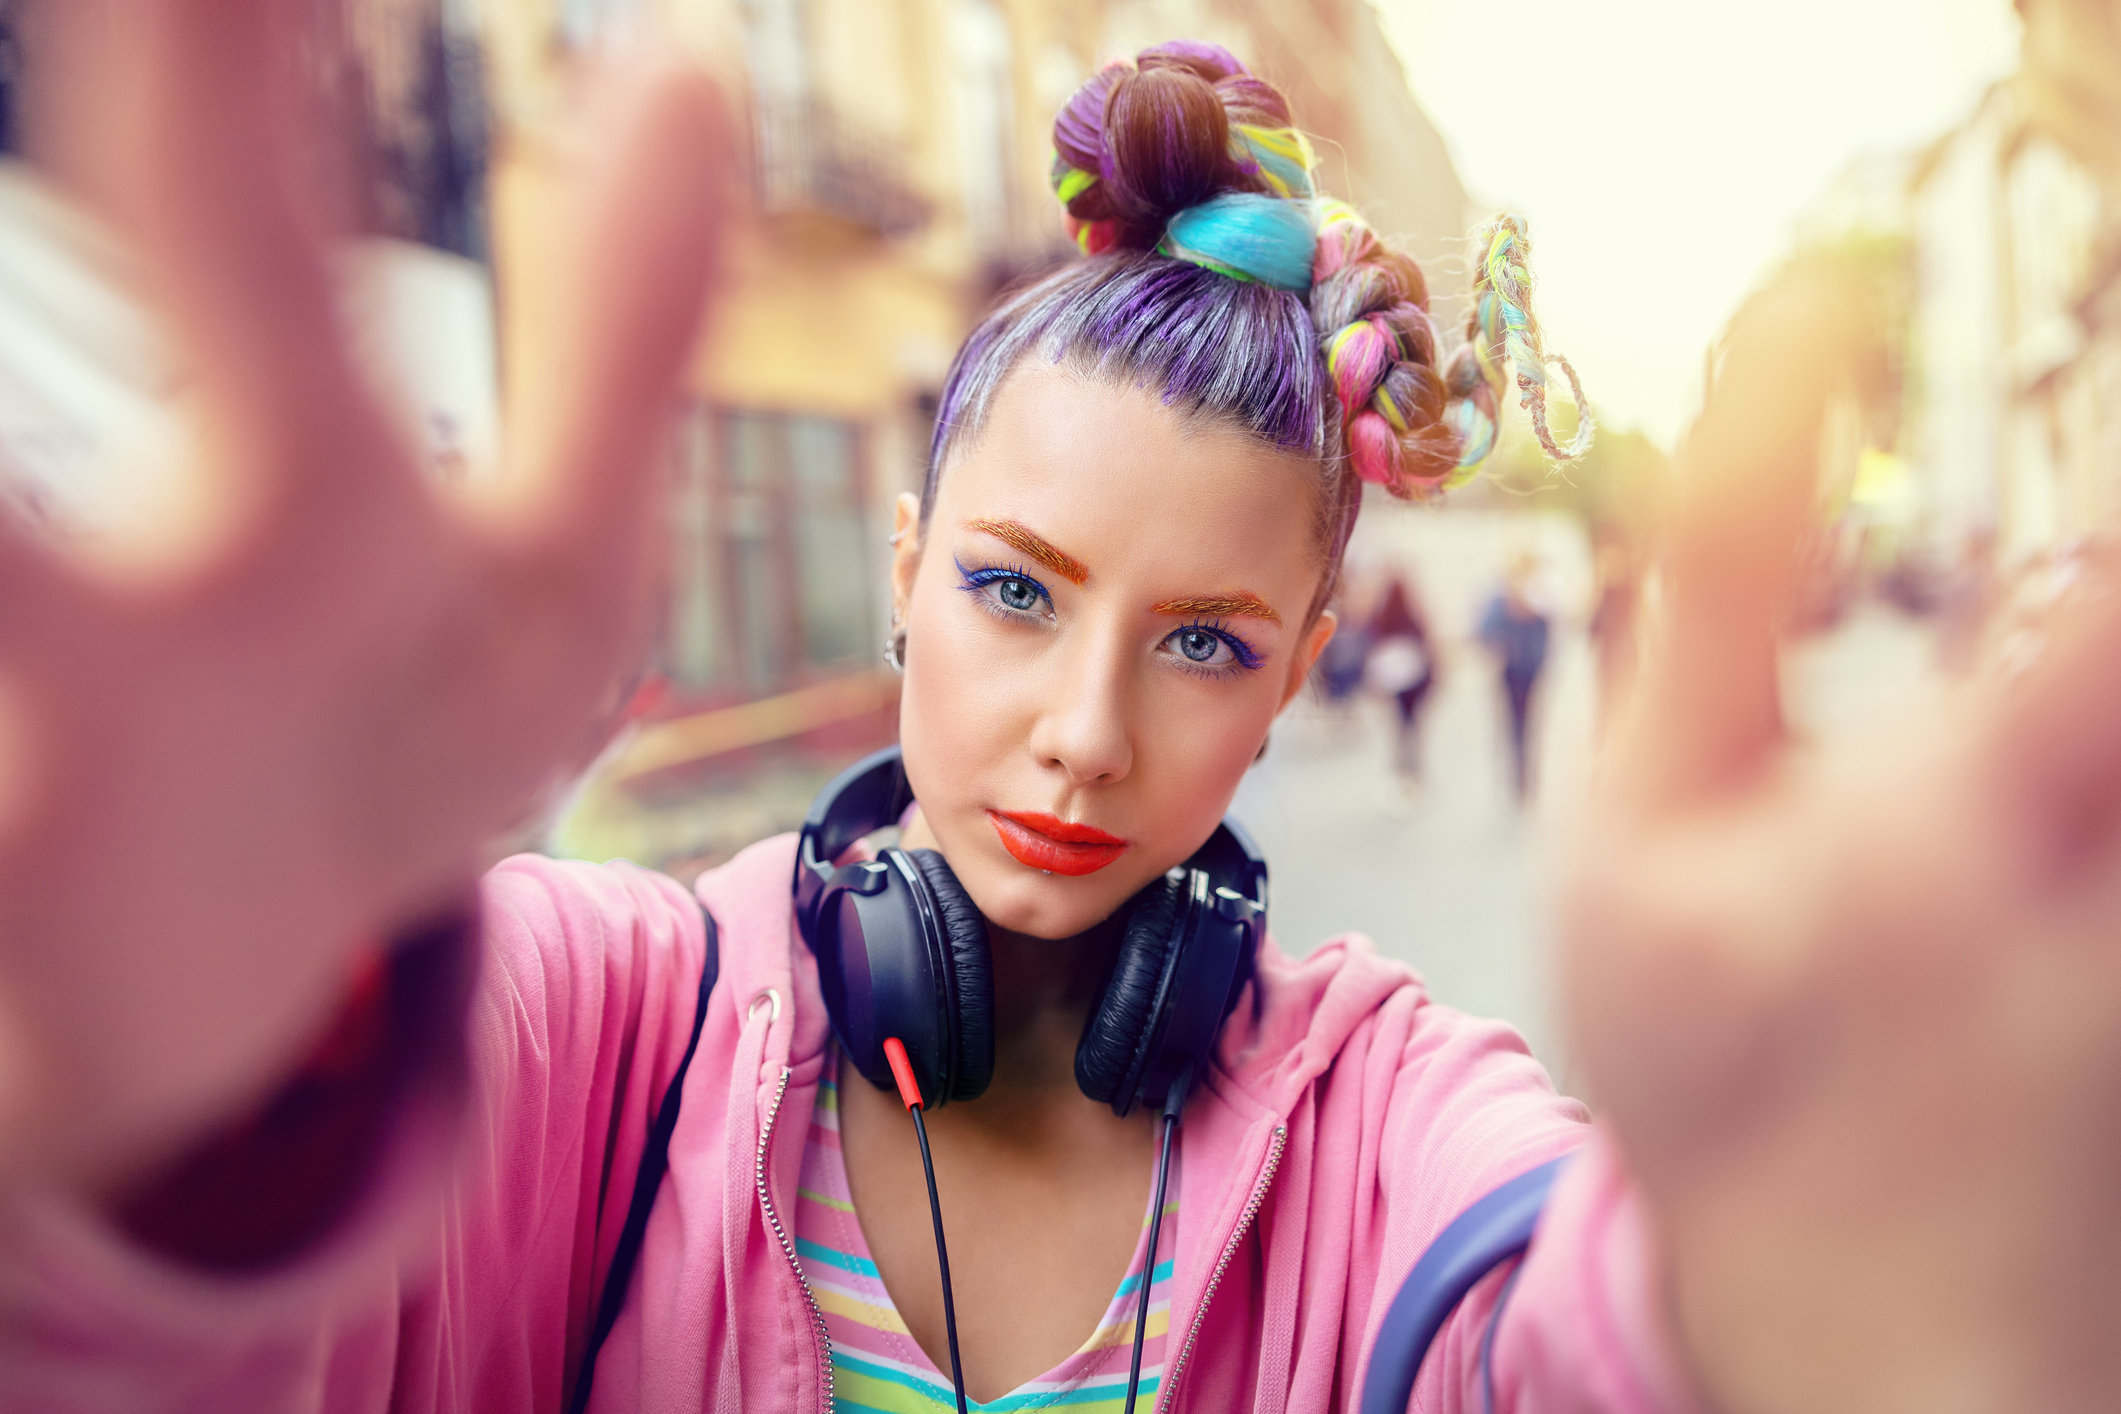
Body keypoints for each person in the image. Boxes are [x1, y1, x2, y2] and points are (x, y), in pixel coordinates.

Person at [5, 12, 2121, 1414]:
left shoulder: (1393, 1113)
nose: (1083, 732)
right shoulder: (598, 1025)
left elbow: (1552, 1320)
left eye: (1204, 640)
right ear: (909, 565)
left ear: (1302, 669)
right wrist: (151, 1102)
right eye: (1014, 591)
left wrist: (1737, 1320)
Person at [1477, 554, 1552, 803]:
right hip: (1512, 669)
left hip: (1530, 668)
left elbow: (1550, 629)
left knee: (1525, 723)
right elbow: (1484, 630)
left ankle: (1523, 770)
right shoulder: (1501, 597)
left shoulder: (1540, 594)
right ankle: (1518, 772)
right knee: (1515, 723)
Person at [1363, 575, 1438, 783]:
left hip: (1394, 682)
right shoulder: (1413, 615)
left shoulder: (1382, 616)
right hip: (1415, 682)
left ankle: (1401, 765)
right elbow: (1427, 647)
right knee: (1413, 722)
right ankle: (1413, 766)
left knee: (1398, 723)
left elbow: (1372, 647)